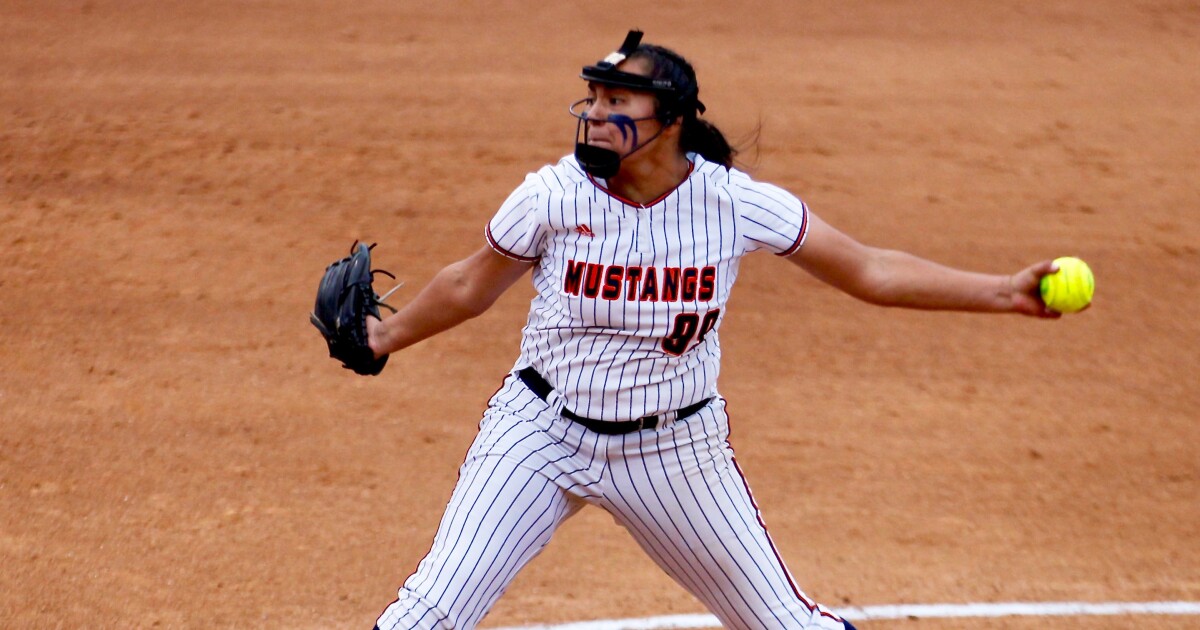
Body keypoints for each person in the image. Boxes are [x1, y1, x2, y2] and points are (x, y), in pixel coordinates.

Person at [367, 30, 1060, 630]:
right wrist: (381, 338)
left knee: (784, 624)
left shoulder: (732, 204)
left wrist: (1003, 291)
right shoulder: (554, 194)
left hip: (674, 450)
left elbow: (869, 270)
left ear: (669, 119)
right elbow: (468, 283)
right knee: (428, 613)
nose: (596, 115)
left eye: (617, 102)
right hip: (540, 432)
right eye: (595, 99)